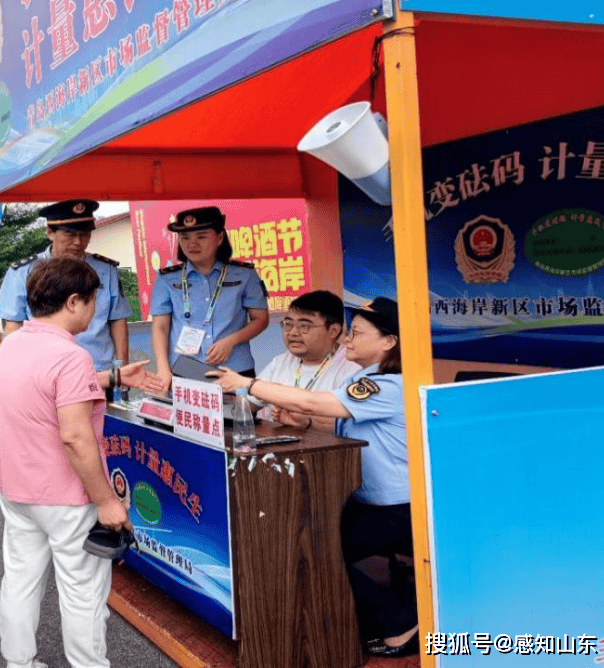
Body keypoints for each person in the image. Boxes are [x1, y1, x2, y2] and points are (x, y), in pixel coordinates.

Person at [210, 297, 417, 656]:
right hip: (365, 499)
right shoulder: (365, 377)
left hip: (399, 507)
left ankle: (401, 621)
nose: (348, 340)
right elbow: (332, 418)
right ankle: (344, 616)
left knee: (318, 546)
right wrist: (304, 422)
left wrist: (248, 384)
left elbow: (313, 403)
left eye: (356, 333)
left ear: (389, 342)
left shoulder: (390, 384)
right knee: (302, 534)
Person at [0, 257, 154, 668]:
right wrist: (106, 501)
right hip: (65, 494)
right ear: (74, 301)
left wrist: (114, 378)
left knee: (21, 581)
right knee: (82, 591)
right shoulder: (70, 357)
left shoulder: (12, 346)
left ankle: (19, 662)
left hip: (16, 487)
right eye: (94, 300)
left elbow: (46, 390)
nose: (96, 310)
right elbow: (76, 437)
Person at [0, 199, 133, 377]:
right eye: (69, 234)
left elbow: (118, 320)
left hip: (97, 369)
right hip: (46, 371)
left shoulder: (106, 270)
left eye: (84, 235)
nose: (78, 242)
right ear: (50, 232)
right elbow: (13, 326)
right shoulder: (22, 272)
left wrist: (121, 370)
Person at [150, 206, 270, 392]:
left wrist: (231, 341)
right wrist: (163, 368)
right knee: (191, 420)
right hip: (186, 367)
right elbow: (160, 327)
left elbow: (260, 319)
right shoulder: (167, 278)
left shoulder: (244, 274)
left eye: (202, 236)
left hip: (234, 367)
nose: (192, 244)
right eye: (185, 238)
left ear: (220, 237)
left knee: (239, 419)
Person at [254, 290, 362, 425]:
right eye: (288, 324)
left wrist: (306, 421)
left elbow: (351, 425)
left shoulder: (352, 367)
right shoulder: (280, 362)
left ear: (333, 330)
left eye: (304, 326)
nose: (293, 333)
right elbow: (248, 403)